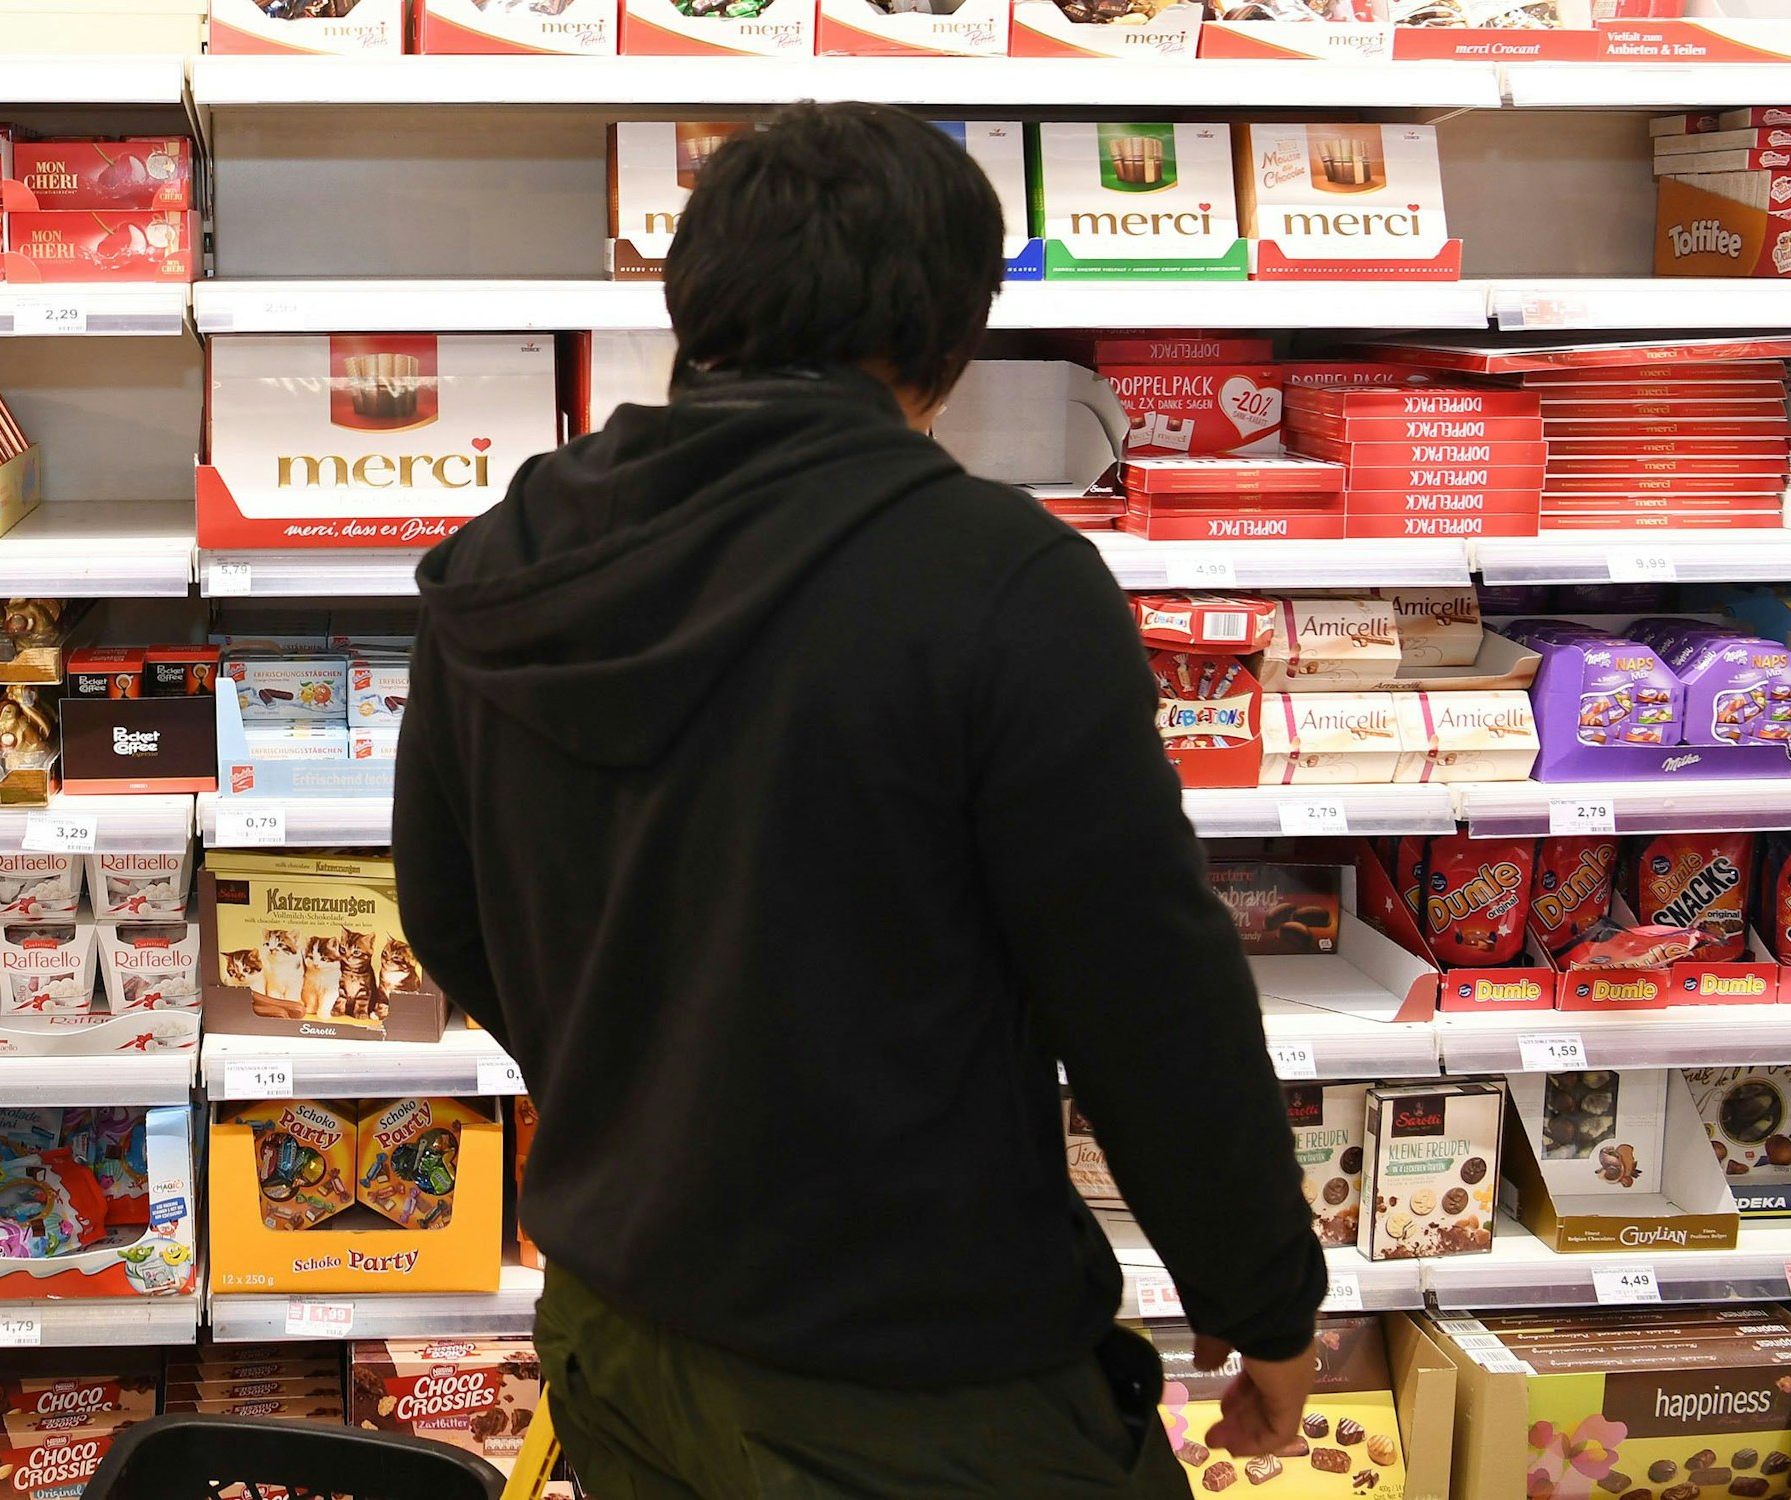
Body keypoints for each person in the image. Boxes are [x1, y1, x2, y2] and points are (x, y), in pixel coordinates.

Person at [393, 100, 1324, 1498]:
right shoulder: (999, 583)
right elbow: (1146, 995)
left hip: (615, 1330)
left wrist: (652, 1090)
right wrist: (1261, 1304)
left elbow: (447, 914)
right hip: (913, 1376)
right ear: (953, 339)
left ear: (692, 298)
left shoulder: (505, 556)